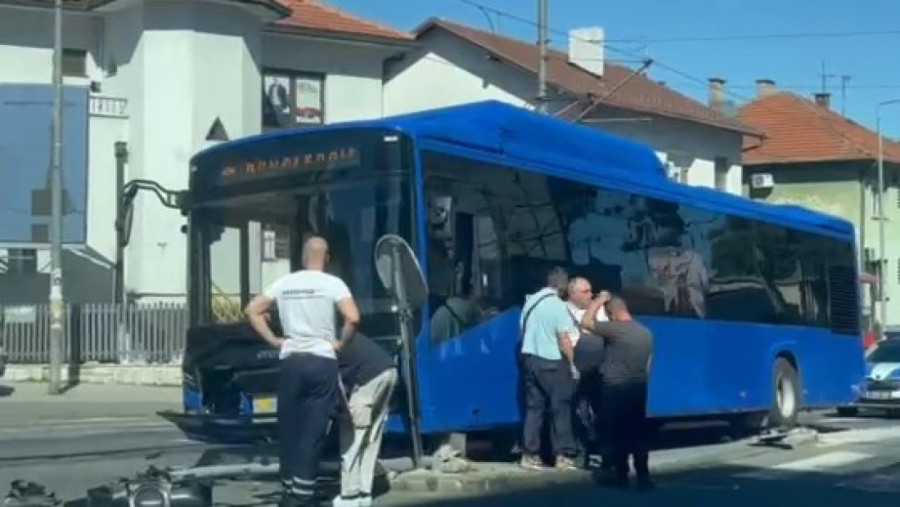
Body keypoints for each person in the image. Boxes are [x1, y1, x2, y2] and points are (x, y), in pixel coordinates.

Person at [244, 236, 360, 507]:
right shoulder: (333, 284)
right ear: (327, 258)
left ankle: (288, 489)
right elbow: (353, 317)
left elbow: (252, 310)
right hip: (321, 361)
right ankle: (302, 496)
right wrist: (341, 343)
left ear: (302, 258)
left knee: (289, 428)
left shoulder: (285, 283)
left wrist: (273, 340)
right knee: (313, 431)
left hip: (291, 362)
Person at [581, 293, 654, 490]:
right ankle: (643, 477)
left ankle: (621, 476)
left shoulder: (616, 329)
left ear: (612, 314)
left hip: (615, 389)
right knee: (638, 434)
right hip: (638, 388)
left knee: (616, 434)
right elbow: (648, 364)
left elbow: (586, 322)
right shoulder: (645, 332)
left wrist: (597, 301)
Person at [518, 266, 578, 471]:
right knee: (560, 408)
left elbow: (522, 330)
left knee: (535, 408)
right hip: (551, 361)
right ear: (562, 285)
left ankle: (529, 454)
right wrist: (573, 364)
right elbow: (564, 339)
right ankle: (563, 455)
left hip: (529, 359)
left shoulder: (530, 302)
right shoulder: (558, 306)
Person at [333, 333, 398, 507]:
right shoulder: (341, 333)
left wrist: (343, 411)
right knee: (372, 437)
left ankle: (349, 495)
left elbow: (336, 383)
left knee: (352, 435)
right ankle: (364, 492)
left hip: (368, 379)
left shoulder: (322, 345)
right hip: (389, 371)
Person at [565, 277, 610, 470]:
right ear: (572, 293)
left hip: (599, 368)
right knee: (579, 413)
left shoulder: (599, 309)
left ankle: (606, 454)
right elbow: (580, 331)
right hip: (576, 369)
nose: (590, 295)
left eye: (591, 291)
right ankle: (582, 453)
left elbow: (605, 331)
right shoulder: (564, 310)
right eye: (585, 292)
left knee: (603, 412)